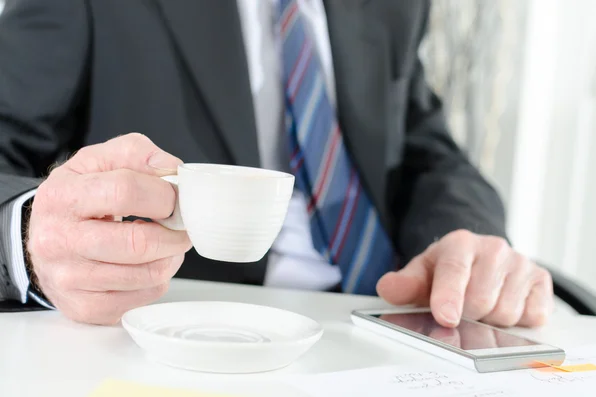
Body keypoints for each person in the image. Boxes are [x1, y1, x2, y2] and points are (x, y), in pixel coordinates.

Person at [0, 0, 553, 327]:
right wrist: (29, 236)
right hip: (200, 332)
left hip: (393, 322)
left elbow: (425, 148)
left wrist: (465, 242)